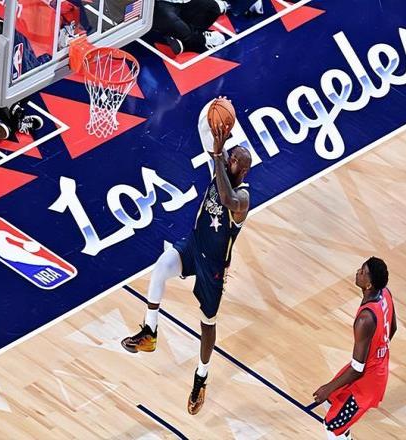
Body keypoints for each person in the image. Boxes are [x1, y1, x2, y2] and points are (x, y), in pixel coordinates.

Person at [122, 114, 252, 415]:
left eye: (235, 160)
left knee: (207, 323)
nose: (229, 159)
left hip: (214, 267)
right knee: (160, 268)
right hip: (193, 246)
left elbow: (226, 197)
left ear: (243, 170)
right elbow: (205, 131)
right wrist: (214, 116)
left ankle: (201, 376)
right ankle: (150, 332)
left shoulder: (243, 198)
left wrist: (219, 155)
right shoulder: (221, 166)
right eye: (230, 156)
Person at [313, 257, 397, 440]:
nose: (358, 272)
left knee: (332, 426)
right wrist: (378, 349)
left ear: (369, 284)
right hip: (374, 366)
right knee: (331, 402)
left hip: (368, 381)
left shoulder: (365, 319)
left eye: (363, 272)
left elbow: (357, 370)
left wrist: (327, 388)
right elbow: (393, 328)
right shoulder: (385, 293)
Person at [153, 0, 228, 55]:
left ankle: (181, 39)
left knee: (213, 8)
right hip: (160, 6)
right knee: (178, 26)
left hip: (185, 3)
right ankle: (199, 39)